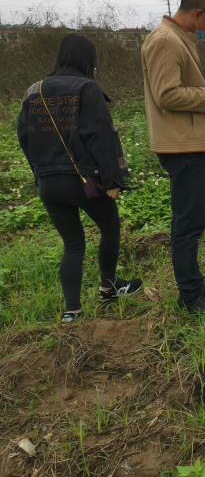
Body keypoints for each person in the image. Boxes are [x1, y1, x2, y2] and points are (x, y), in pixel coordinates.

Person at [17, 34, 139, 323]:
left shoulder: (34, 91)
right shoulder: (87, 88)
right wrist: (113, 181)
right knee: (110, 227)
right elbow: (101, 138)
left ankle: (71, 311)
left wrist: (40, 172)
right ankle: (109, 287)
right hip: (85, 181)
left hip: (48, 182)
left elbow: (23, 137)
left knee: (72, 244)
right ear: (88, 60)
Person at [141, 0, 205, 314]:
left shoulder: (177, 38)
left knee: (192, 218)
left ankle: (194, 282)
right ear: (198, 14)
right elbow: (167, 95)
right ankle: (191, 296)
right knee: (188, 222)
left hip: (188, 141)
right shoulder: (165, 41)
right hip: (181, 144)